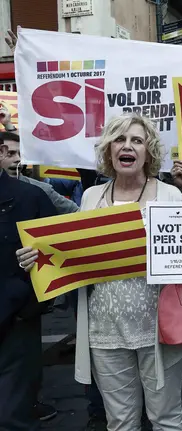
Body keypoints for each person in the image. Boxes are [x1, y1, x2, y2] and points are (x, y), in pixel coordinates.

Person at [17, 113, 182, 430]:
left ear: (148, 151)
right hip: (105, 328)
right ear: (108, 150)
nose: (127, 146)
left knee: (165, 418)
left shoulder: (169, 196)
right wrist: (38, 256)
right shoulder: (92, 197)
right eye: (119, 139)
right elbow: (77, 253)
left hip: (159, 327)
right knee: (120, 421)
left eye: (136, 140)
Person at [1, 141, 57, 431]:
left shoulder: (30, 197)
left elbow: (57, 256)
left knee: (12, 417)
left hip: (15, 328)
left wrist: (30, 308)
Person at [0, 132, 79, 215]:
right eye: (10, 154)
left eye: (21, 154)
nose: (18, 159)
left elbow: (77, 213)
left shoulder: (41, 189)